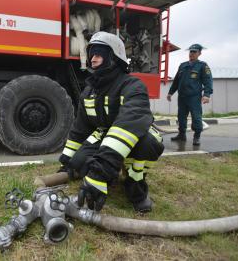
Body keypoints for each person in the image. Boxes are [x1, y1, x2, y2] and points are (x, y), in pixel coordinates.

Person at [58, 31, 164, 213]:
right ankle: (111, 172)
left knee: (146, 144)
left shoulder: (133, 86)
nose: (92, 58)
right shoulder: (89, 91)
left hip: (136, 135)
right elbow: (79, 130)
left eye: (99, 53)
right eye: (91, 54)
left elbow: (125, 129)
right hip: (107, 135)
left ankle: (135, 186)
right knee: (79, 163)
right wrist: (66, 164)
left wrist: (99, 172)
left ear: (114, 57)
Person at [167, 44, 213, 145]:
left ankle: (196, 137)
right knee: (181, 117)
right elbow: (176, 81)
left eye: (194, 52)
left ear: (199, 53)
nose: (191, 53)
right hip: (182, 97)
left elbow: (208, 81)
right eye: (190, 51)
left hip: (194, 97)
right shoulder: (183, 65)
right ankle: (181, 135)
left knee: (196, 117)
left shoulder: (202, 66)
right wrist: (170, 92)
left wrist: (207, 94)